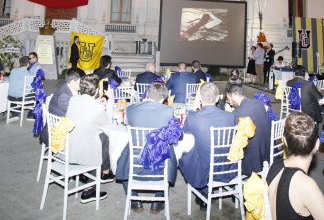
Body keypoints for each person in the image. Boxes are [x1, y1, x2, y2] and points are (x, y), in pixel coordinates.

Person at [116, 82, 176, 214]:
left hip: (135, 161)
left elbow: (127, 126)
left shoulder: (131, 109)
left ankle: (135, 201)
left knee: (122, 159)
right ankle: (157, 202)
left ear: (147, 94)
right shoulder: (168, 111)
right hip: (160, 164)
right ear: (163, 99)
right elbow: (175, 135)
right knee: (171, 151)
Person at [179, 82, 235, 210]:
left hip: (204, 169)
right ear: (217, 98)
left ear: (199, 98)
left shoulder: (193, 117)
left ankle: (203, 193)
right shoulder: (231, 116)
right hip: (228, 166)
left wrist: (193, 109)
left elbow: (185, 136)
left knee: (184, 155)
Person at [65, 74, 115, 203]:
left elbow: (85, 110)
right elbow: (108, 124)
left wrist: (97, 104)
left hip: (68, 146)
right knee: (108, 138)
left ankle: (103, 172)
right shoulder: (96, 108)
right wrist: (110, 102)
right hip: (82, 151)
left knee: (102, 138)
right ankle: (89, 189)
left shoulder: (74, 99)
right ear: (97, 90)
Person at [224, 80, 271, 176]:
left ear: (233, 95)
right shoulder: (259, 104)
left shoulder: (237, 114)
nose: (230, 103)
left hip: (252, 162)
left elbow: (230, 135)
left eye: (229, 100)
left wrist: (228, 114)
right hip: (267, 155)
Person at [39, 68, 84, 146]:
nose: (83, 84)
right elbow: (76, 115)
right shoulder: (64, 96)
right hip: (57, 134)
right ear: (73, 81)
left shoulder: (68, 87)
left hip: (64, 124)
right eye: (81, 82)